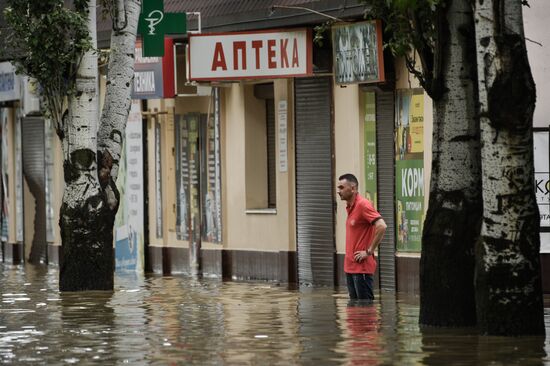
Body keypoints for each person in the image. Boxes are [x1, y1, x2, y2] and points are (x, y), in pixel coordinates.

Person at [337, 173, 386, 301]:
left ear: (353, 188)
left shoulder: (363, 205)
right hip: (350, 267)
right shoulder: (350, 207)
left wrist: (369, 251)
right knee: (354, 311)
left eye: (342, 187)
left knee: (365, 311)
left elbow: (382, 226)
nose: (338, 191)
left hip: (362, 268)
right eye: (338, 188)